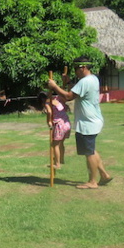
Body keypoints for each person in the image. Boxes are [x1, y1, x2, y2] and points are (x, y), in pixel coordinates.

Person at [47, 56, 113, 189]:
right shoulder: (92, 79)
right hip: (93, 120)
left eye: (76, 69)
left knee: (89, 152)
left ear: (83, 68)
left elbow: (68, 96)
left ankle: (92, 181)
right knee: (91, 150)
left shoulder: (85, 82)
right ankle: (104, 175)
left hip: (87, 123)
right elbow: (76, 92)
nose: (75, 71)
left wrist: (54, 86)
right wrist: (69, 82)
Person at [38, 90, 71, 169]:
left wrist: (49, 121)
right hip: (66, 123)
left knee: (55, 144)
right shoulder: (57, 98)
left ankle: (57, 164)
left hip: (59, 124)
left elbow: (49, 112)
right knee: (61, 143)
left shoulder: (47, 103)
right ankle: (61, 159)